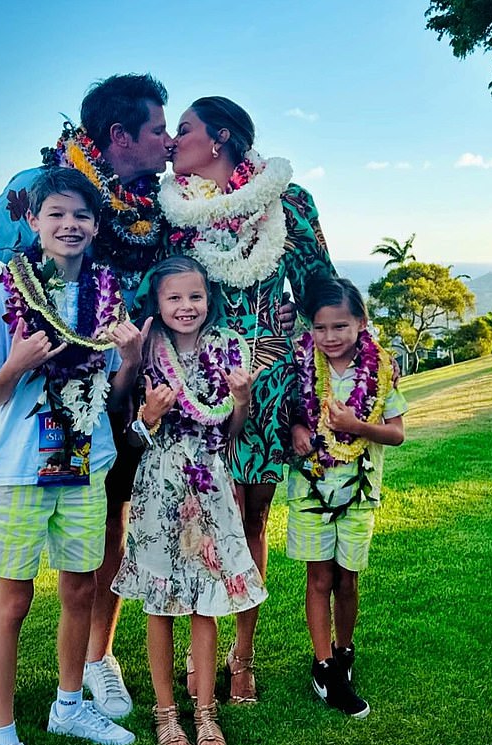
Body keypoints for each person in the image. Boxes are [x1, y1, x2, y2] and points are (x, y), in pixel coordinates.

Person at [0, 74, 174, 745]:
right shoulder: (35, 187)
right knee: (4, 563)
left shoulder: (165, 201)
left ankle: (93, 665)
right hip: (32, 409)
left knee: (107, 526)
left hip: (115, 396)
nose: (170, 140)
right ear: (120, 137)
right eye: (159, 129)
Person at [149, 96, 337, 702]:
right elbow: (159, 289)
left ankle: (243, 656)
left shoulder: (288, 201)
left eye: (184, 130)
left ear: (221, 137)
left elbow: (320, 283)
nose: (174, 141)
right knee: (196, 512)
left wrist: (299, 322)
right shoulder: (175, 210)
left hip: (267, 377)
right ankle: (193, 654)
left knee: (251, 514)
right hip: (198, 378)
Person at [0, 168, 147, 745]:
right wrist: (16, 363)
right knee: (12, 601)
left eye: (81, 216)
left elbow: (116, 399)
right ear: (36, 224)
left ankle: (69, 704)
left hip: (85, 459)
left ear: (96, 227)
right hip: (20, 466)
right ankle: (2, 743)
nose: (70, 225)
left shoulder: (108, 295)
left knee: (80, 587)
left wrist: (128, 360)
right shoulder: (6, 287)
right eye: (56, 214)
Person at [111, 256, 267, 745]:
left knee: (206, 600)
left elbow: (231, 431)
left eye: (195, 297)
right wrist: (149, 413)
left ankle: (205, 711)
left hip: (211, 488)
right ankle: (165, 712)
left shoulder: (227, 348)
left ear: (209, 300)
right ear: (157, 302)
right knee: (161, 605)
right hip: (159, 488)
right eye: (174, 297)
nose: (186, 306)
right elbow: (129, 434)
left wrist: (241, 399)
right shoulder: (145, 348)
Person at [287, 278, 407, 718]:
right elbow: (288, 415)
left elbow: (396, 433)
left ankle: (344, 649)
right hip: (310, 488)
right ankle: (324, 666)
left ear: (361, 322)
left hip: (359, 492)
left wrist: (358, 427)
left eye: (340, 326)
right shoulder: (300, 363)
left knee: (348, 579)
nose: (330, 337)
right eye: (320, 328)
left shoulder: (380, 369)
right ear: (310, 329)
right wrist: (298, 429)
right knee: (319, 578)